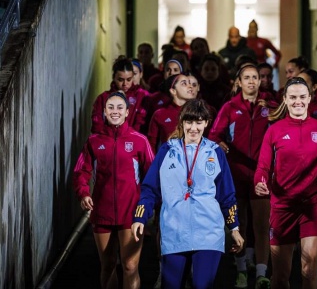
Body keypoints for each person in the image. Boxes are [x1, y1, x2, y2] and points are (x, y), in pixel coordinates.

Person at [254, 77, 317, 289]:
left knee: (309, 271)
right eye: (292, 97)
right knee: (281, 277)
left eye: (302, 97)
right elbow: (263, 167)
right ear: (285, 99)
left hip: (312, 207)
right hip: (282, 208)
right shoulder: (274, 130)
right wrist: (260, 182)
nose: (297, 101)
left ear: (310, 98)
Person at [132, 99, 245, 289]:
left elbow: (227, 194)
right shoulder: (167, 151)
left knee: (202, 286)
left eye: (199, 122)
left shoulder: (215, 152)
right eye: (189, 122)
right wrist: (140, 217)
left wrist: (234, 228)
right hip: (174, 231)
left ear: (206, 123)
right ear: (182, 123)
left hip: (208, 233)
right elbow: (150, 188)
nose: (194, 128)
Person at [73, 92, 154, 289]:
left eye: (120, 108)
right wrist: (83, 192)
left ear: (127, 112)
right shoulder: (93, 141)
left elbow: (152, 176)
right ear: (104, 112)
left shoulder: (140, 141)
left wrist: (147, 205)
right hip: (102, 212)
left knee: (130, 265)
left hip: (132, 213)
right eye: (111, 107)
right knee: (107, 266)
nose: (115, 111)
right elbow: (81, 171)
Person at [209, 64, 277, 289]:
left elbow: (286, 122)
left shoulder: (269, 106)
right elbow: (213, 135)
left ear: (260, 81)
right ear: (238, 82)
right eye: (246, 78)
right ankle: (240, 270)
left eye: (255, 78)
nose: (251, 81)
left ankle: (261, 273)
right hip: (235, 175)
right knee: (238, 225)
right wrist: (221, 144)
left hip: (262, 176)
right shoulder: (230, 107)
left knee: (260, 226)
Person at [91, 56, 149, 134]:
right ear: (114, 77)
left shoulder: (142, 96)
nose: (125, 84)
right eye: (121, 80)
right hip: (109, 142)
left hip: (134, 143)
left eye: (129, 79)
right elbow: (97, 126)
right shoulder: (103, 98)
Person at [147, 73, 198, 153]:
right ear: (173, 91)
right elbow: (151, 145)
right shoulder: (160, 114)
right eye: (184, 83)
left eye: (190, 83)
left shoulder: (198, 112)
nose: (190, 86)